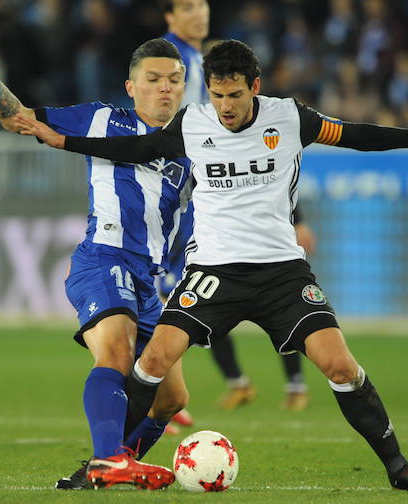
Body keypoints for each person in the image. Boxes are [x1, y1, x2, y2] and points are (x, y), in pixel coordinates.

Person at [13, 39, 408, 492]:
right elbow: (137, 150)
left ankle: (400, 468)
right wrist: (64, 142)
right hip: (213, 272)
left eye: (235, 95)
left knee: (341, 367)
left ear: (255, 87)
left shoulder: (291, 118)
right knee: (153, 360)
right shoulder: (193, 123)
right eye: (217, 95)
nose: (225, 106)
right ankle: (106, 462)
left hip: (282, 272)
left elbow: (359, 136)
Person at [0, 32, 194, 490]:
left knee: (170, 398)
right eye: (154, 79)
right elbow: (17, 119)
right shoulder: (101, 119)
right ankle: (110, 460)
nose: (165, 88)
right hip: (104, 258)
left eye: (175, 80)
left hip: (150, 278)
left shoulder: (192, 144)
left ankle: (103, 467)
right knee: (117, 354)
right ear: (131, 86)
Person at [161, 0, 313, 413]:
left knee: (267, 283)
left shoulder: (206, 62)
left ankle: (292, 382)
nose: (200, 12)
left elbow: (271, 165)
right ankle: (214, 386)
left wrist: (298, 218)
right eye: (188, 6)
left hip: (222, 203)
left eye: (203, 5)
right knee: (191, 298)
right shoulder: (169, 64)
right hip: (194, 203)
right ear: (169, 17)